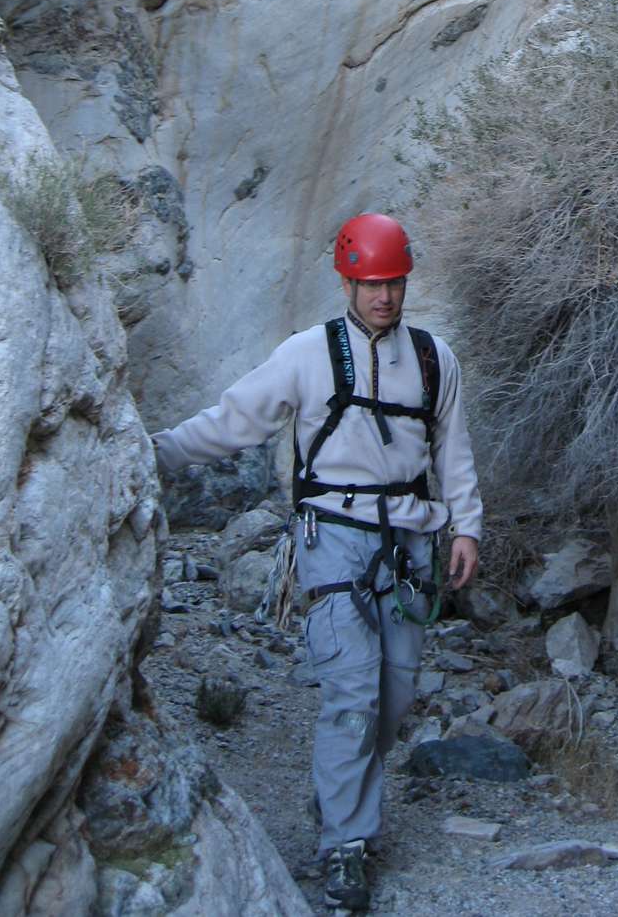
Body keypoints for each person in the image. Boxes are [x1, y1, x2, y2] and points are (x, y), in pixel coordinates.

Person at [151, 212, 482, 912]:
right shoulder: (307, 354)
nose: (383, 297)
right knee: (353, 691)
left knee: (394, 696)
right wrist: (155, 453)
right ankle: (344, 844)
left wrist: (466, 528)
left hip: (410, 542)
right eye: (371, 284)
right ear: (346, 283)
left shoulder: (433, 359)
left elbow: (452, 449)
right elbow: (234, 420)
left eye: (393, 283)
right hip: (332, 536)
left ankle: (339, 798)